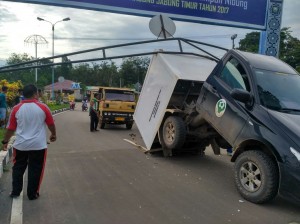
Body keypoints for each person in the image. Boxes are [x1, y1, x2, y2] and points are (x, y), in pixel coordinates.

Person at [2, 84, 56, 200]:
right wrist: (53, 134)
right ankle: (32, 194)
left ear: (23, 94)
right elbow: (51, 123)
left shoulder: (16, 109)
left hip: (21, 145)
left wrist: (5, 141)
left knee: (18, 168)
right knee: (35, 169)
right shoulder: (43, 107)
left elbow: (10, 128)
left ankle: (15, 192)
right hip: (38, 146)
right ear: (36, 94)